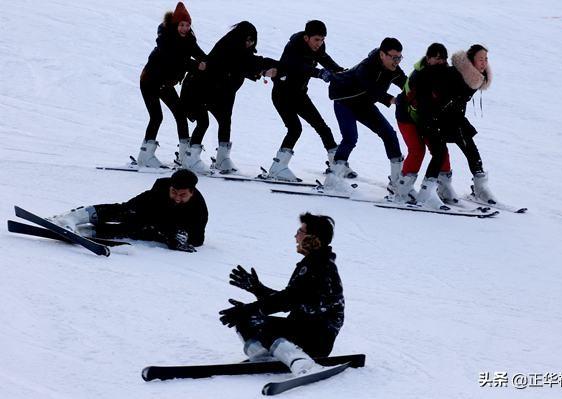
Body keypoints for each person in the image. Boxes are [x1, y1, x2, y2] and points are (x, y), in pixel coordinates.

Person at [218, 213, 344, 376]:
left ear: (313, 238)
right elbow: (293, 298)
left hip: (317, 338)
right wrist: (257, 289)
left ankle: (301, 362)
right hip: (304, 330)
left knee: (253, 318)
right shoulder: (314, 262)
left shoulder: (320, 266)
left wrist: (249, 309)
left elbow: (289, 300)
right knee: (245, 318)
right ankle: (263, 358)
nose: (296, 236)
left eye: (300, 231)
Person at [180, 21, 278, 175]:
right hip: (197, 89)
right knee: (203, 121)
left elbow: (249, 63)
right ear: (239, 38)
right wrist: (263, 70)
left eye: (252, 41)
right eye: (246, 40)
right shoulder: (228, 47)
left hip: (219, 93)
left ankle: (222, 158)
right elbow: (245, 63)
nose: (249, 43)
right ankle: (190, 158)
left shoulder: (241, 52)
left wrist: (275, 67)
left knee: (225, 120)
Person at [412, 44, 495, 209]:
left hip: (454, 119)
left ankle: (480, 188)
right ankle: (426, 193)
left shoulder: (474, 77)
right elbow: (432, 90)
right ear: (471, 60)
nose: (484, 62)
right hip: (434, 119)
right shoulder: (456, 74)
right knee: (440, 153)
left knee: (470, 148)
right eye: (481, 59)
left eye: (486, 59)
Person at [48, 169, 208, 252]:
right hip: (152, 208)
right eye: (174, 192)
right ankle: (71, 218)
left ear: (192, 192)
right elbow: (142, 206)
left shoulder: (198, 210)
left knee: (135, 229)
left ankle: (85, 232)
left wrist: (183, 239)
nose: (177, 198)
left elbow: (198, 239)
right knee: (125, 211)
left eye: (183, 195)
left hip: (163, 228)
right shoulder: (161, 187)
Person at [324, 37, 407, 193]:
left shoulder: (393, 68)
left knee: (389, 134)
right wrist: (392, 99)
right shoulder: (367, 67)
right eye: (394, 57)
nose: (397, 61)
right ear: (383, 54)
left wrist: (416, 95)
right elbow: (372, 90)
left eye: (399, 58)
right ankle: (333, 178)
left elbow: (405, 83)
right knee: (350, 138)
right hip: (345, 101)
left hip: (364, 104)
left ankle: (397, 183)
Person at [265, 20, 345, 182]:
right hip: (283, 94)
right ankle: (278, 167)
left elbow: (325, 59)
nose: (320, 43)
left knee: (322, 127)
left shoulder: (318, 47)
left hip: (300, 94)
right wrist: (319, 73)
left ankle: (336, 165)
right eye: (317, 39)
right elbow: (297, 67)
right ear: (306, 37)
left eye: (322, 39)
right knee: (295, 129)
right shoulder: (293, 47)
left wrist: (341, 72)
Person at [137, 2, 207, 168]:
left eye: (188, 25)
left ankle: (184, 155)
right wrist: (195, 65)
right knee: (156, 117)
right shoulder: (166, 41)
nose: (185, 28)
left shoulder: (189, 40)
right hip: (150, 82)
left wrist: (206, 61)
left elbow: (199, 54)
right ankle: (145, 155)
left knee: (180, 114)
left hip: (166, 84)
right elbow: (176, 61)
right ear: (175, 24)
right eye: (182, 25)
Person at [394, 43, 457, 203]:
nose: (441, 62)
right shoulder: (420, 76)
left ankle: (444, 186)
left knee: (441, 149)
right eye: (437, 58)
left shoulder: (444, 74)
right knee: (417, 150)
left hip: (426, 117)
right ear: (428, 59)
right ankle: (403, 190)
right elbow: (423, 105)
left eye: (443, 59)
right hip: (408, 117)